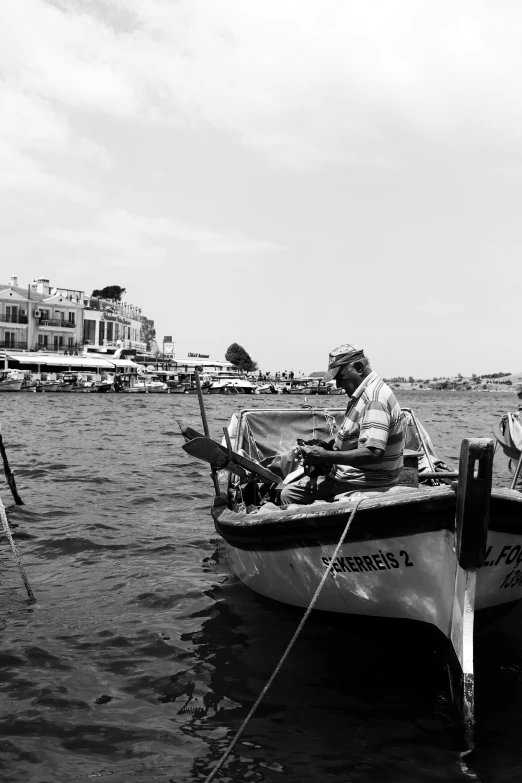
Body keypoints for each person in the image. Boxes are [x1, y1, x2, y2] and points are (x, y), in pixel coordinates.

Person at [279, 343, 405, 506]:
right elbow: (353, 436)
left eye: (340, 378)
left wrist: (324, 456)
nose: (338, 385)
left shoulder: (373, 399)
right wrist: (322, 446)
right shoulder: (365, 393)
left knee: (288, 495)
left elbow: (374, 453)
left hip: (367, 480)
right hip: (358, 476)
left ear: (359, 368)